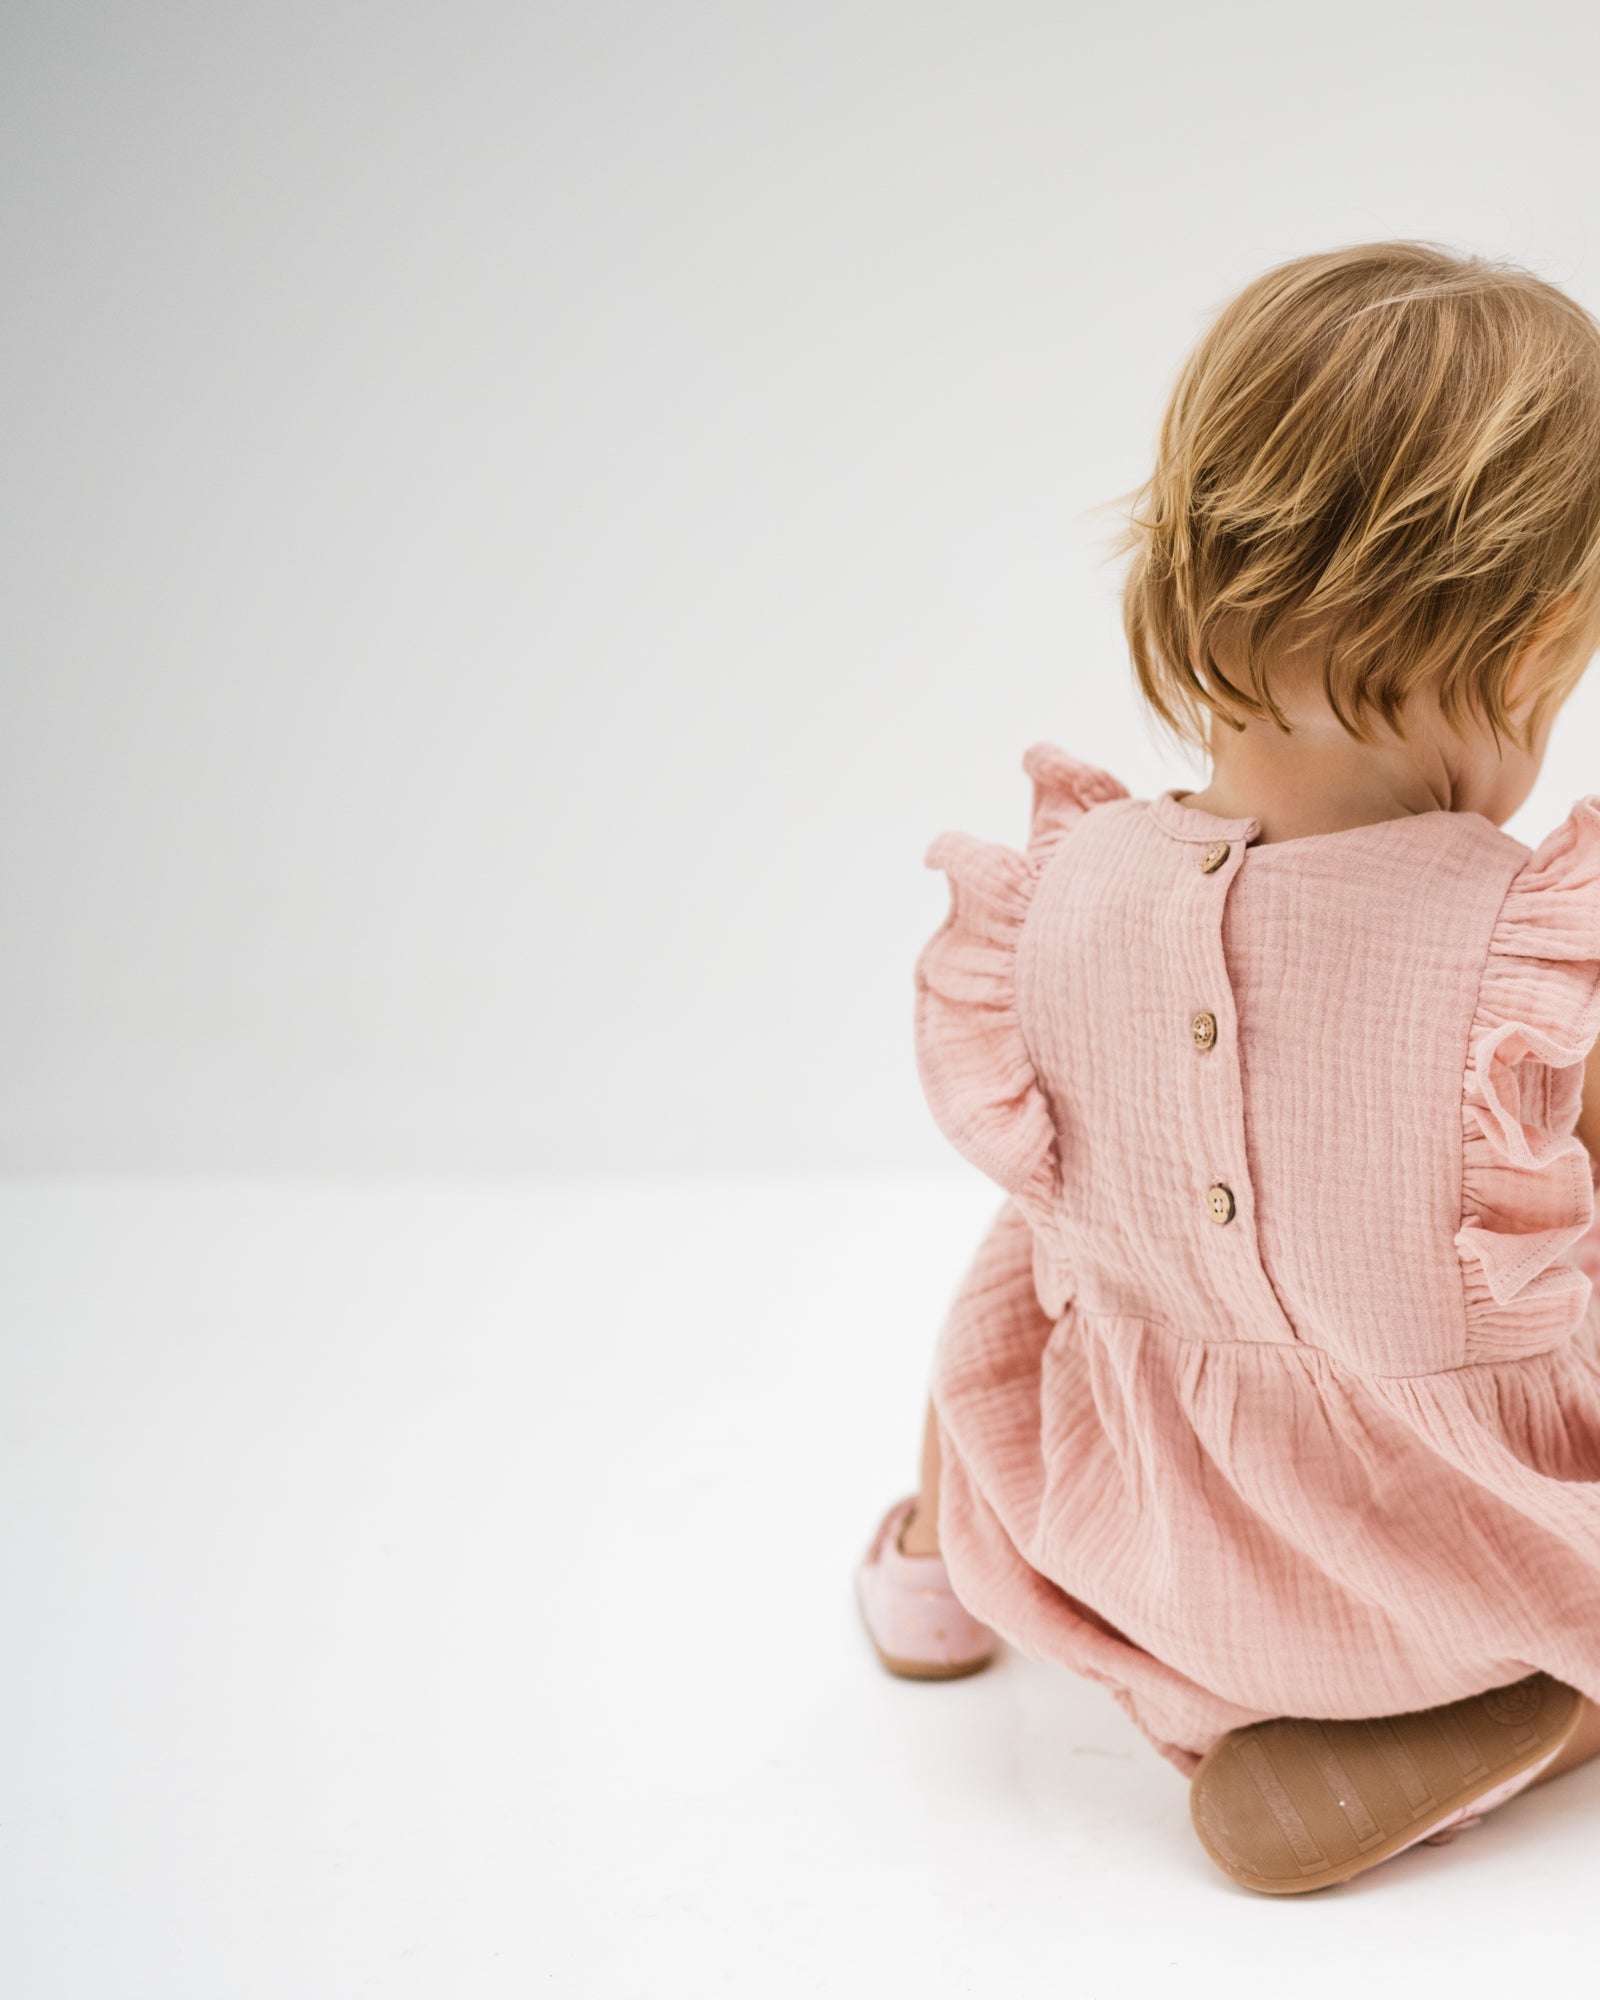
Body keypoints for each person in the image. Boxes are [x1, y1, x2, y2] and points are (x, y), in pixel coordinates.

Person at [855, 240, 1600, 1895]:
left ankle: (931, 1566)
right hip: (1471, 1577)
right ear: (1540, 643)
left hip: (1132, 1569)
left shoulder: (1059, 899)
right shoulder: (1535, 958)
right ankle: (1544, 1705)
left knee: (1026, 1245)